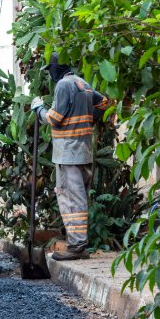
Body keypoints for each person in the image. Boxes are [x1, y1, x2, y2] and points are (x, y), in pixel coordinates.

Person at [31, 53, 110, 261]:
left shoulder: (64, 85)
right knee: (80, 198)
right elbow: (104, 104)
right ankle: (79, 244)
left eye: (50, 71)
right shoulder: (82, 83)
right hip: (84, 151)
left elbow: (54, 119)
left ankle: (76, 247)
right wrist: (86, 120)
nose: (49, 75)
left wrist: (39, 110)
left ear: (56, 69)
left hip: (68, 154)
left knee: (71, 200)